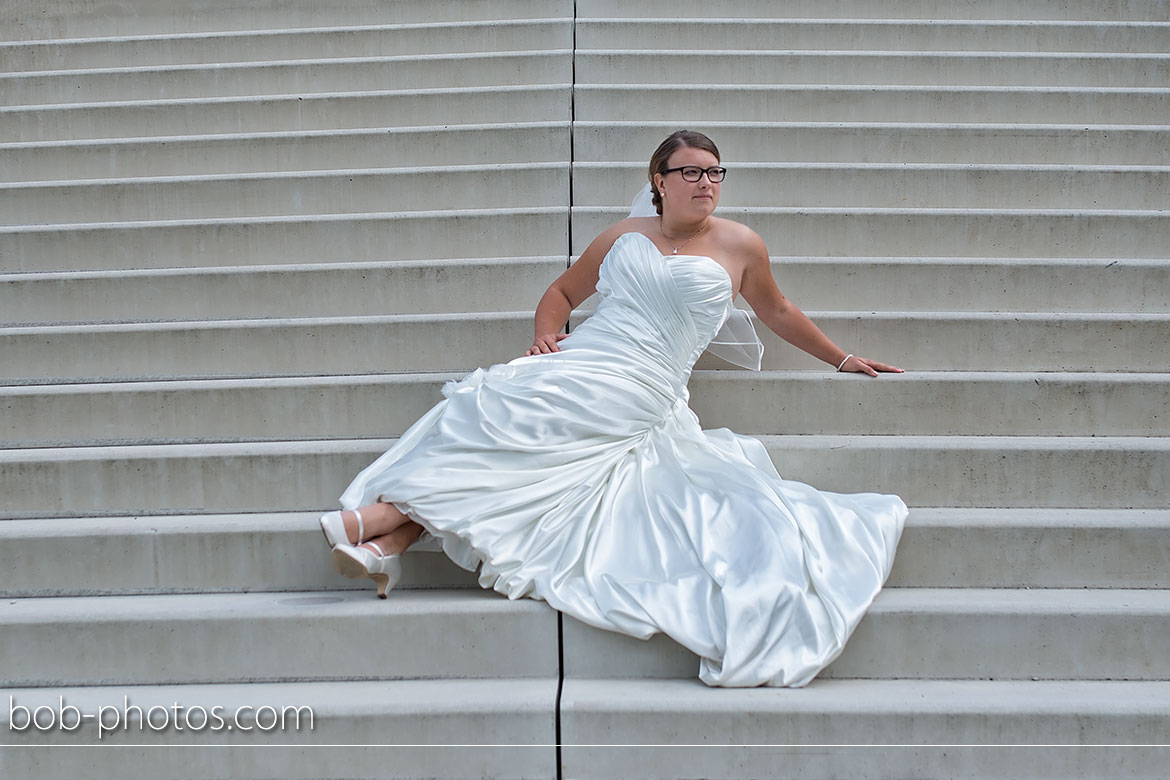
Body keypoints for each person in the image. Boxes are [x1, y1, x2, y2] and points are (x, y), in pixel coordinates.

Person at [319, 130, 908, 687]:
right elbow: (563, 294)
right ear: (659, 179)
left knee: (546, 434)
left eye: (714, 172)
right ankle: (383, 542)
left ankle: (379, 529)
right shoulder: (623, 235)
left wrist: (842, 357)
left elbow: (778, 313)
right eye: (691, 172)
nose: (706, 183)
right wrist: (546, 337)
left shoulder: (740, 245)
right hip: (589, 356)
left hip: (649, 383)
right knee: (510, 408)